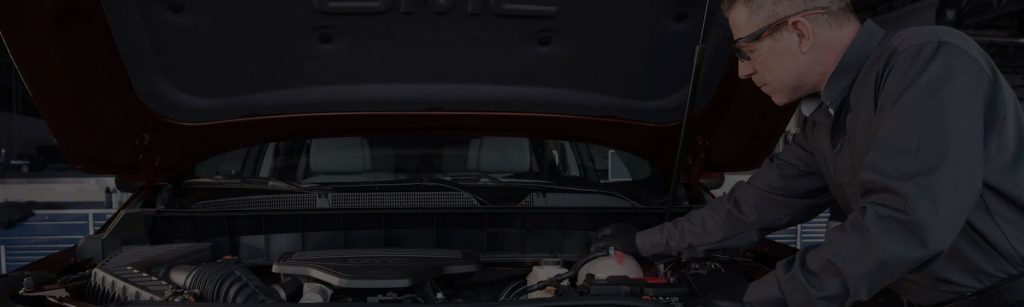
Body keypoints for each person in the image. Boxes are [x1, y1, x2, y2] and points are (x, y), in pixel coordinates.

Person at [593, 0, 1024, 306]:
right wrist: (645, 242)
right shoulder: (825, 121)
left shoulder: (928, 60)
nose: (743, 71)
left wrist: (760, 295)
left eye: (746, 51)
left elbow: (902, 223)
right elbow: (752, 207)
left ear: (799, 31)